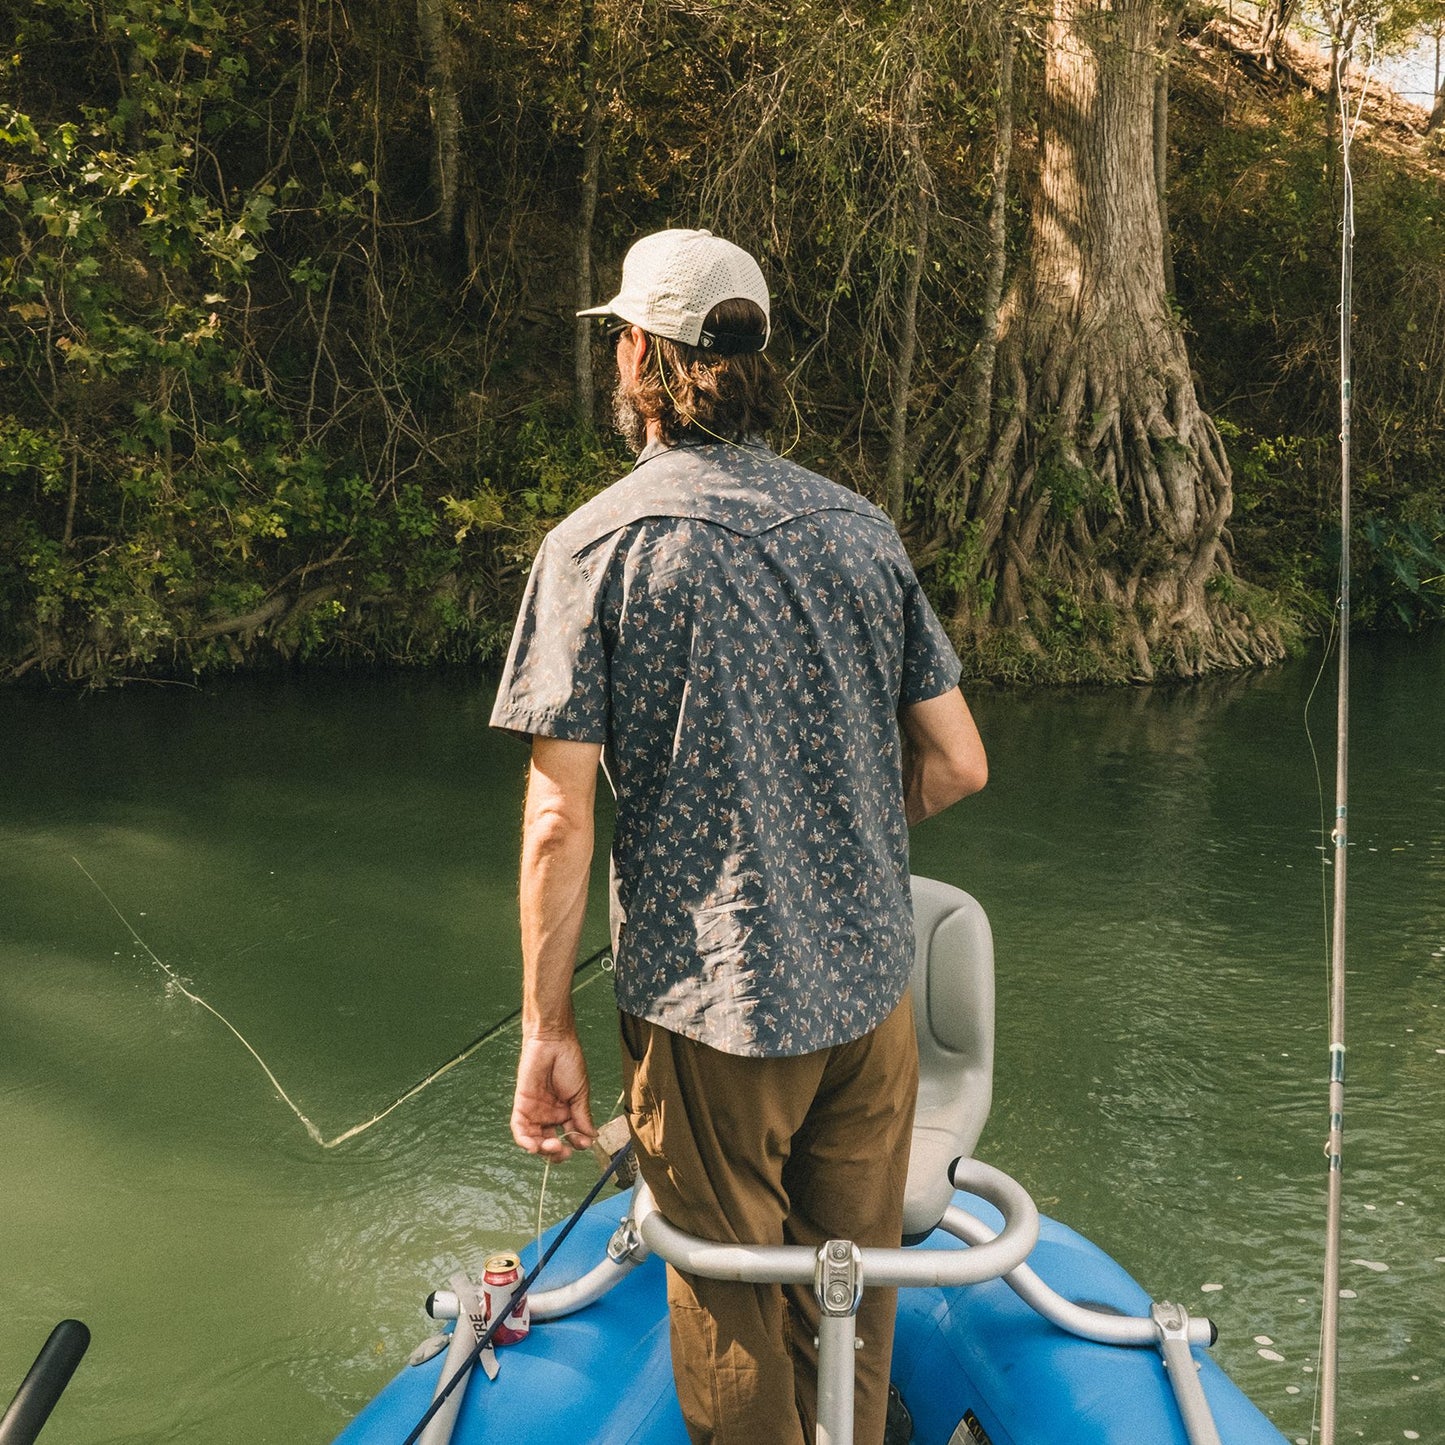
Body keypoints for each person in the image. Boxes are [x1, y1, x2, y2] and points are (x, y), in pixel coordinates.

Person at [490, 228, 987, 1445]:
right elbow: (960, 762)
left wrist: (548, 1028)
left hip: (714, 1011)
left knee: (727, 1300)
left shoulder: (594, 548)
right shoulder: (861, 530)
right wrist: (848, 833)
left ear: (638, 359)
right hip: (873, 1001)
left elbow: (560, 815)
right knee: (849, 1289)